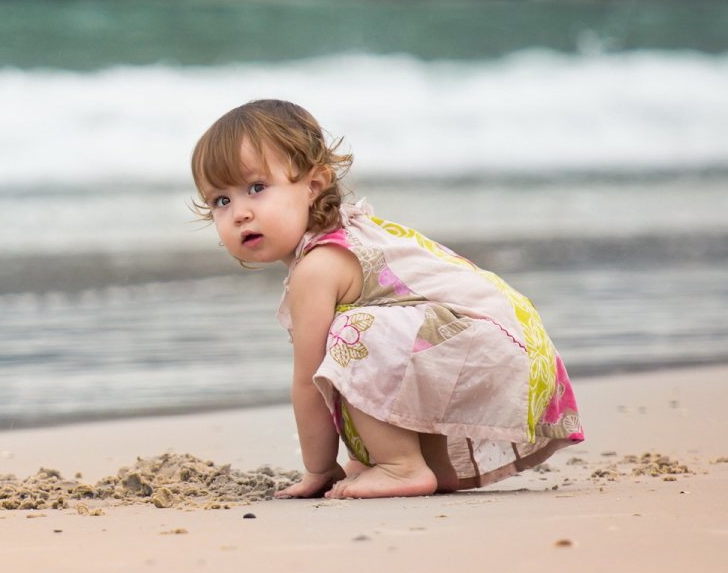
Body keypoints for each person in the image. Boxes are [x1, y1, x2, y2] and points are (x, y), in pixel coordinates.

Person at [191, 98, 583, 499]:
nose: (239, 212)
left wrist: (320, 469)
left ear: (312, 185)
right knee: (364, 335)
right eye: (221, 201)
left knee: (351, 335)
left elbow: (309, 384)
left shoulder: (318, 267)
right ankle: (431, 465)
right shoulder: (342, 238)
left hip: (499, 352)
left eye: (256, 188)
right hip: (514, 346)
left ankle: (402, 467)